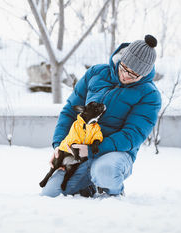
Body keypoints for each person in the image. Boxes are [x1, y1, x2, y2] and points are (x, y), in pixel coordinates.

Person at [41, 34, 162, 197]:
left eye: (133, 74)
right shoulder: (96, 73)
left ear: (143, 74)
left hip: (116, 153)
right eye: (124, 67)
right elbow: (70, 111)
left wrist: (92, 150)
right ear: (121, 59)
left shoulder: (149, 95)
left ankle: (114, 193)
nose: (125, 75)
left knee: (105, 170)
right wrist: (59, 146)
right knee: (50, 195)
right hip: (80, 150)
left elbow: (131, 136)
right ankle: (87, 185)